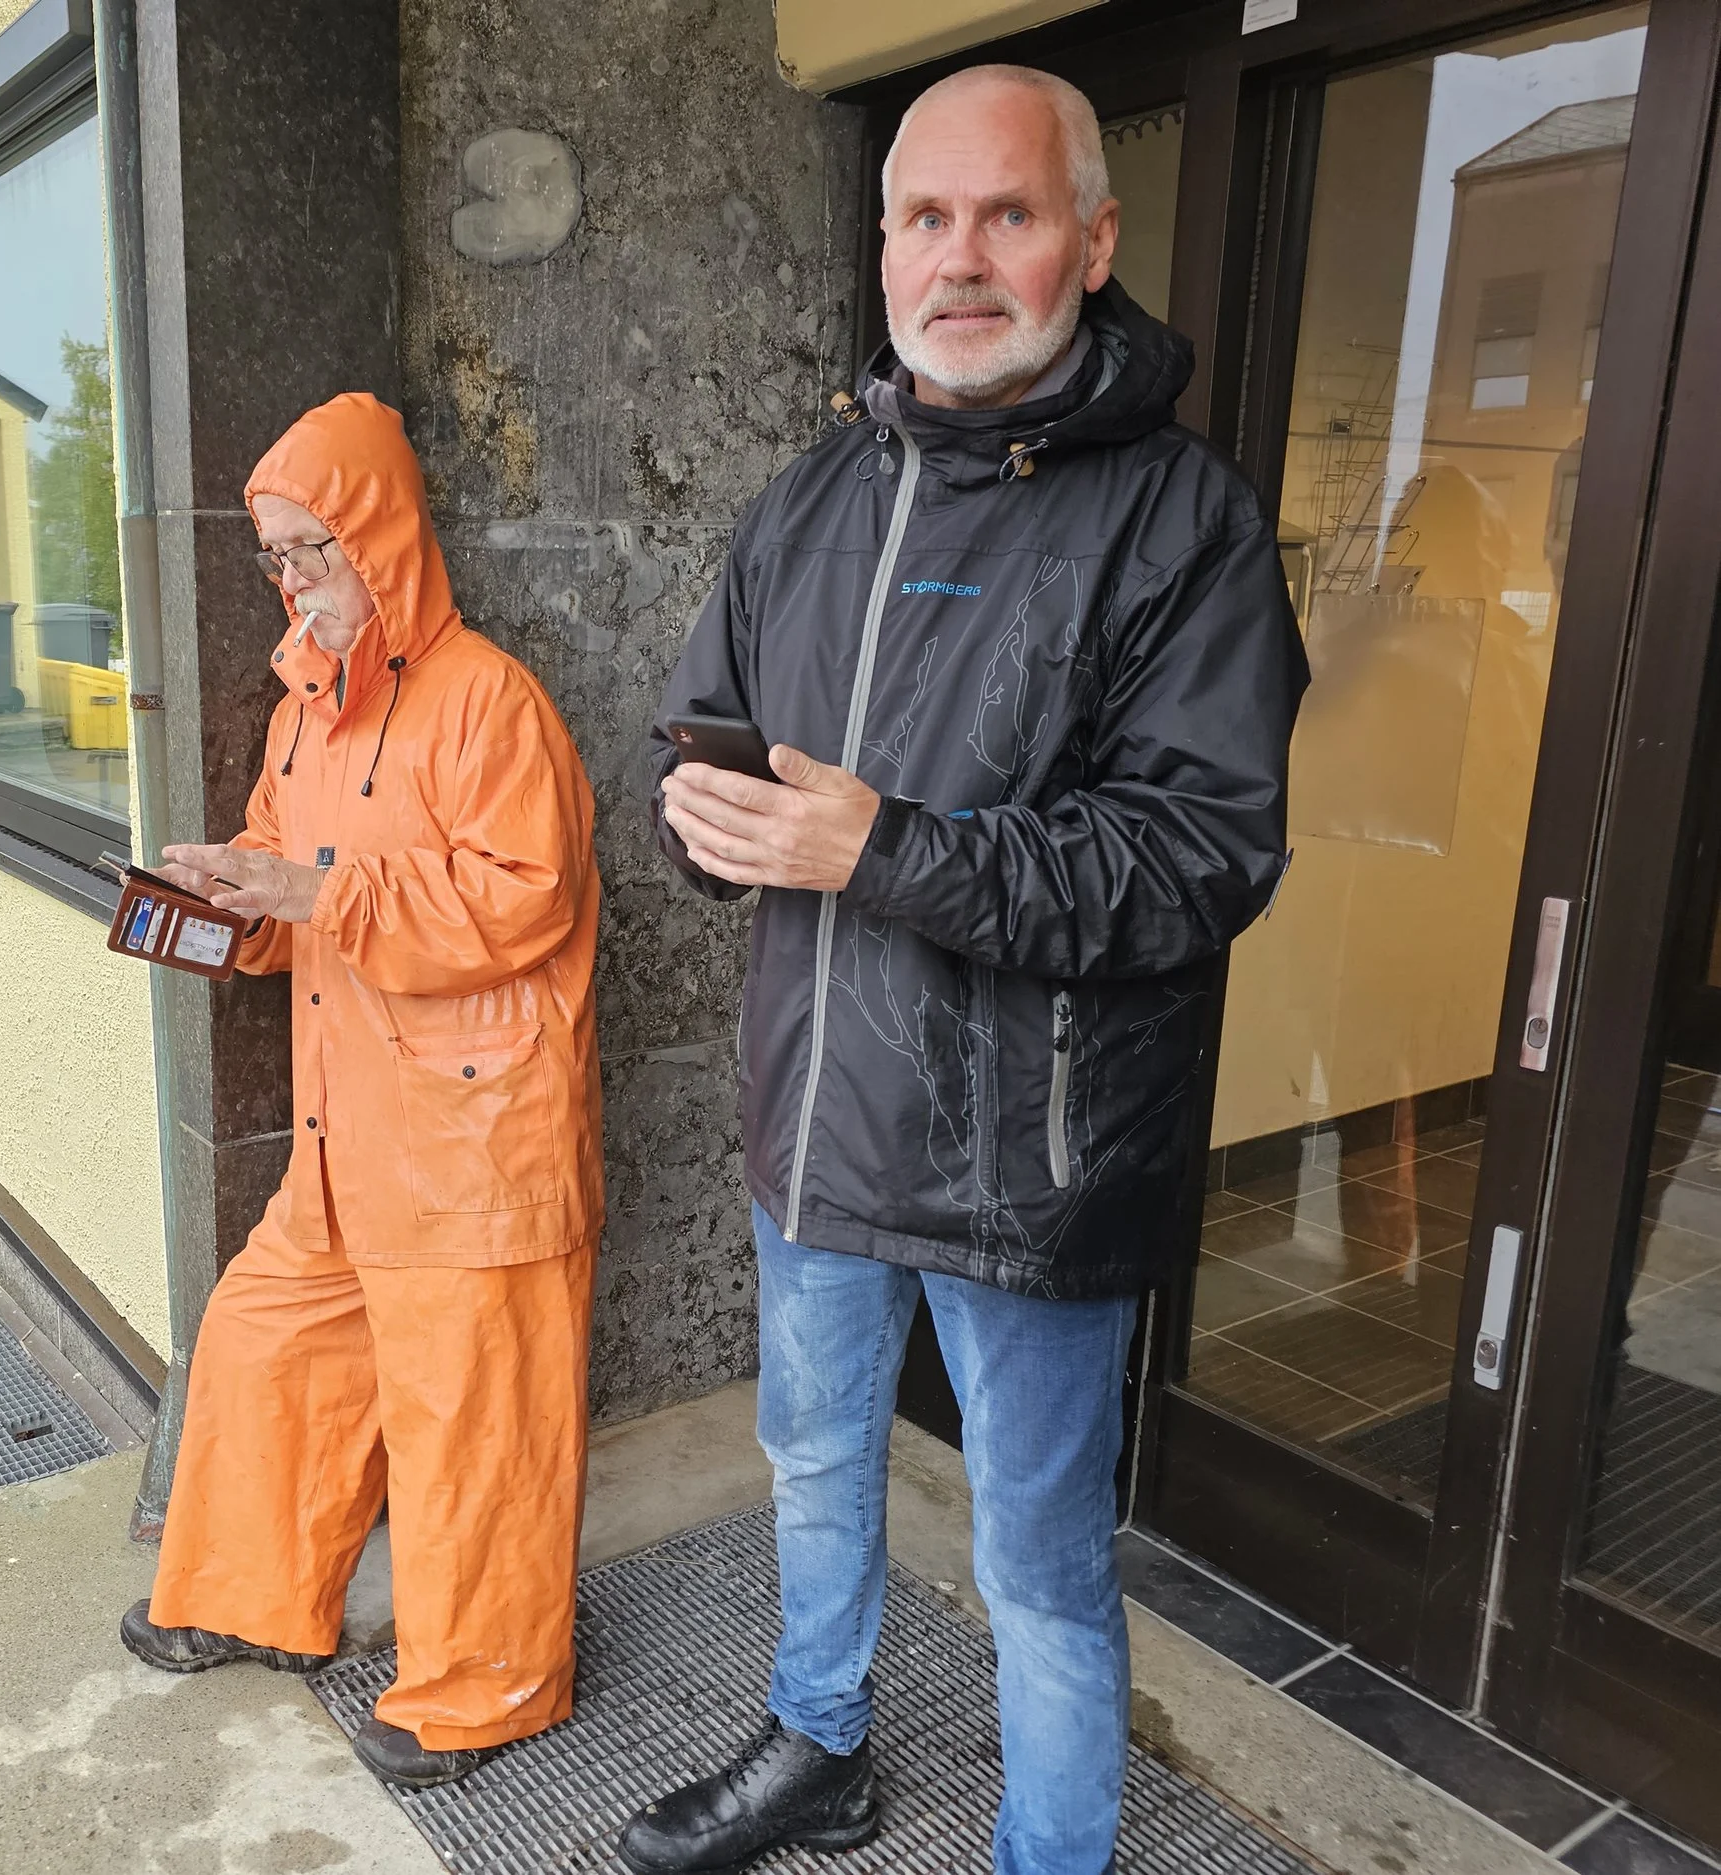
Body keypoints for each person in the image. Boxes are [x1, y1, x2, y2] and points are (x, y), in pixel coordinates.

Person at [619, 64, 1307, 1875]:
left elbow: (1197, 859)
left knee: (1039, 1562)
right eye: (927, 216)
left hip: (1039, 1163)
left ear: (1094, 238)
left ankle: (1050, 1850)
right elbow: (707, 734)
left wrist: (883, 848)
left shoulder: (1187, 524)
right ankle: (820, 1744)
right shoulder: (810, 500)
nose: (965, 257)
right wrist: (704, 815)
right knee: (816, 1467)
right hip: (820, 1126)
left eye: (1010, 213)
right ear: (884, 248)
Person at [119, 392, 604, 1792]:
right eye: (273, 555)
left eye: (309, 550)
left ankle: (486, 1688)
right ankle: (249, 1595)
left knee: (474, 1429)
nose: (289, 580)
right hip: (347, 1145)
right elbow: (291, 892)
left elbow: (524, 900)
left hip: (475, 1154)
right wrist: (223, 906)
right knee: (265, 1342)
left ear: (379, 540)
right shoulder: (306, 713)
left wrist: (312, 891)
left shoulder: (491, 701)